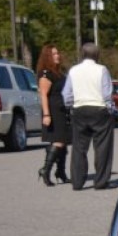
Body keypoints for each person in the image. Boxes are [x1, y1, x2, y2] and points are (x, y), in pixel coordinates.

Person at [62, 43, 118, 190]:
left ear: (82, 54)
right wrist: (111, 109)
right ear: (97, 55)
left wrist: (72, 106)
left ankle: (77, 181)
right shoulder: (102, 70)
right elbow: (107, 93)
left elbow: (66, 95)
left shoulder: (73, 70)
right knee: (102, 147)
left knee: (79, 148)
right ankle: (100, 181)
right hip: (99, 109)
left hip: (80, 109)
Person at [35, 44, 71, 186]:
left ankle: (60, 172)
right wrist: (46, 115)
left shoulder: (59, 73)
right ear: (47, 57)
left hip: (62, 110)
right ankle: (45, 170)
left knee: (64, 142)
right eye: (54, 54)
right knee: (58, 141)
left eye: (58, 53)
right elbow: (43, 95)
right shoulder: (45, 73)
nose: (57, 55)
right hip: (53, 111)